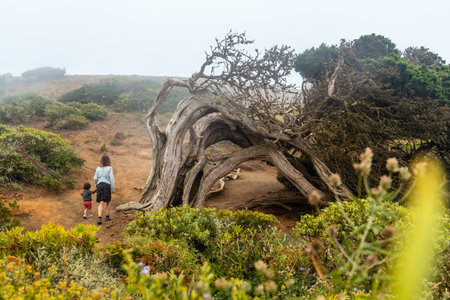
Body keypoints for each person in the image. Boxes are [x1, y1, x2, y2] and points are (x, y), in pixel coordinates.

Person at [94, 154, 115, 225]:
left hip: (99, 185)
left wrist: (96, 185)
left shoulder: (98, 168)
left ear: (101, 161)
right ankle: (107, 216)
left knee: (101, 202)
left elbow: (95, 178)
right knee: (108, 201)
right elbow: (111, 178)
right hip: (106, 185)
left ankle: (99, 217)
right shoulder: (110, 168)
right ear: (108, 161)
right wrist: (113, 188)